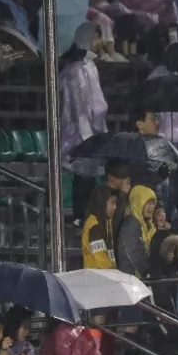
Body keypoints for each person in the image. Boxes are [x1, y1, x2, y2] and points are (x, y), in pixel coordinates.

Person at [59, 23, 110, 223]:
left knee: (88, 177)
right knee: (82, 176)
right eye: (95, 38)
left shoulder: (90, 66)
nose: (98, 42)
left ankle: (86, 215)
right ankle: (80, 215)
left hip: (93, 128)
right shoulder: (76, 70)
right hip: (81, 130)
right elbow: (79, 105)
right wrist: (86, 134)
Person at [117, 185, 157, 278]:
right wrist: (148, 273)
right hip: (131, 279)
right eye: (148, 203)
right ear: (138, 202)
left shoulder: (146, 225)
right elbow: (135, 253)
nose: (152, 207)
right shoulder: (131, 225)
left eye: (153, 203)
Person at [82, 185, 119, 269]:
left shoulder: (104, 221)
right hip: (98, 276)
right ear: (102, 202)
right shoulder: (95, 226)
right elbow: (102, 262)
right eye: (112, 203)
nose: (115, 207)